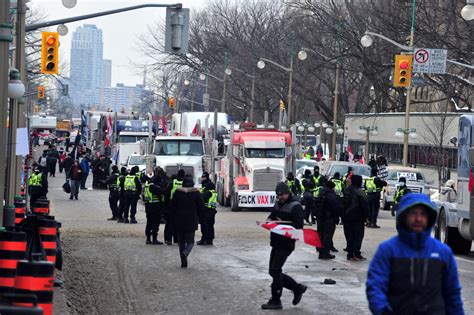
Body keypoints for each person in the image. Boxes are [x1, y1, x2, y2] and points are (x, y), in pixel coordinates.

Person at [366, 193, 464, 314]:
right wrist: (383, 311)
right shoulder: (387, 250)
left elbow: (452, 293)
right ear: (404, 216)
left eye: (423, 214)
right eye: (413, 213)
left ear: (429, 218)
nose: (418, 218)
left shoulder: (443, 252)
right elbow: (375, 287)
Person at [261, 182, 306, 310]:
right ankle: (297, 288)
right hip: (275, 242)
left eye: (282, 195)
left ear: (287, 193)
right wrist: (269, 221)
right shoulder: (277, 204)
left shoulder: (295, 206)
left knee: (275, 271)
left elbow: (299, 226)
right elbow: (272, 216)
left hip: (286, 243)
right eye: (278, 195)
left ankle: (276, 300)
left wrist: (282, 225)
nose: (279, 198)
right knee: (273, 271)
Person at [170, 176, 204, 268]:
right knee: (190, 242)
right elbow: (201, 207)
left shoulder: (177, 192)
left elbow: (172, 207)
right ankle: (186, 252)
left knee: (181, 242)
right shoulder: (196, 193)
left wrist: (171, 219)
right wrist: (201, 218)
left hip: (179, 220)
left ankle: (183, 262)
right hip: (191, 220)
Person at [342, 175, 369, 261]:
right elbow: (365, 206)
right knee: (358, 236)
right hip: (358, 218)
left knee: (349, 236)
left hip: (346, 217)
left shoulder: (346, 190)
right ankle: (356, 253)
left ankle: (350, 254)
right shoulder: (360, 192)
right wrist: (366, 217)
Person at [316, 180, 342, 260]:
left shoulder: (321, 193)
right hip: (329, 218)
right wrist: (337, 217)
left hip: (320, 217)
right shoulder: (331, 195)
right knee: (327, 236)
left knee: (321, 235)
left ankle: (321, 252)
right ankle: (325, 253)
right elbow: (336, 207)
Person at [143, 171, 167, 245]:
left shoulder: (147, 185)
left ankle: (148, 239)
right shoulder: (153, 186)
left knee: (149, 223)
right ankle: (154, 239)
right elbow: (163, 191)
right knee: (155, 223)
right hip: (155, 207)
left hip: (148, 206)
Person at [164, 169, 185, 245]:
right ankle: (178, 239)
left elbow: (167, 194)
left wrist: (165, 205)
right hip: (181, 206)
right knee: (180, 224)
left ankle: (168, 239)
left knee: (170, 223)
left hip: (171, 205)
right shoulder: (184, 183)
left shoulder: (172, 182)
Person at [197, 181, 218, 245]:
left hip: (207, 211)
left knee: (204, 225)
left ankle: (204, 240)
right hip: (212, 211)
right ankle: (210, 240)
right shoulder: (214, 192)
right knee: (211, 226)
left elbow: (201, 197)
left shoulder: (208, 193)